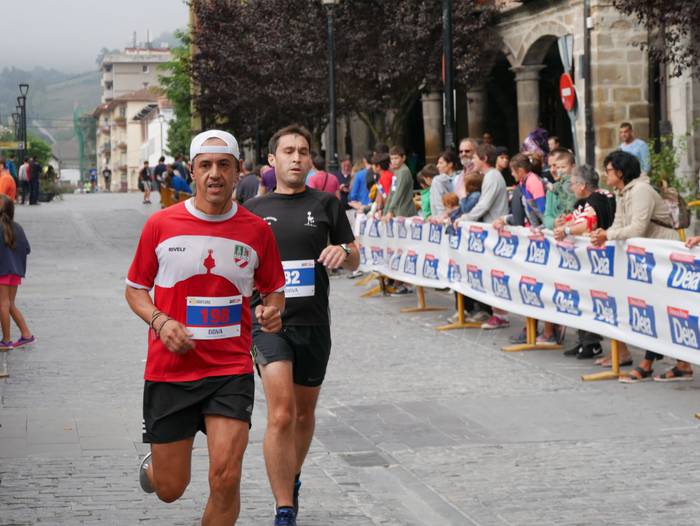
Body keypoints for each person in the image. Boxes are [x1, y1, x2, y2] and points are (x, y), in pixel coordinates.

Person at [126, 130, 286, 525]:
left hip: (229, 370)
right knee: (171, 488)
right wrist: (160, 321)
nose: (215, 173)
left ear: (238, 172)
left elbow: (275, 293)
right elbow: (135, 290)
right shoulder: (161, 224)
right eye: (206, 165)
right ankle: (156, 468)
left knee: (226, 477)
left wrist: (272, 312)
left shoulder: (257, 231)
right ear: (193, 172)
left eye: (223, 165)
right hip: (170, 371)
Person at [244, 124, 359, 526]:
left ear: (310, 160)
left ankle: (291, 476)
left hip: (313, 323)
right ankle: (284, 508)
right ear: (271, 160)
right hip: (268, 323)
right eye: (288, 151)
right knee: (281, 413)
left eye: (303, 151)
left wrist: (342, 250)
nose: (296, 157)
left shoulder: (327, 203)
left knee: (304, 415)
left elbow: (354, 256)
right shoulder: (252, 210)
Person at [590, 150, 690, 382]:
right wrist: (603, 233)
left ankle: (650, 363)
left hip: (663, 257)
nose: (605, 175)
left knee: (660, 307)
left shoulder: (641, 190)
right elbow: (619, 224)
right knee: (653, 308)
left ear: (620, 172)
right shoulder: (623, 192)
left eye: (608, 170)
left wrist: (607, 235)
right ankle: (679, 364)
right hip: (646, 260)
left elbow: (637, 228)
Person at [553, 165, 618, 360]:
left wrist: (566, 230)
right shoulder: (602, 196)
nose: (572, 188)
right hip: (601, 256)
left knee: (591, 298)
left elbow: (588, 223)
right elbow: (576, 220)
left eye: (573, 184)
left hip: (599, 257)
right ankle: (585, 340)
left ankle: (591, 343)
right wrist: (563, 224)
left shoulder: (594, 200)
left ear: (582, 185)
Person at [0, 195, 33, 350]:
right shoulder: (17, 227)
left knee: (3, 304)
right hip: (16, 271)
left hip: (2, 270)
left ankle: (6, 341)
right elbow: (27, 249)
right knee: (10, 304)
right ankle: (26, 334)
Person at [543, 148, 577, 229]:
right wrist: (554, 223)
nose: (552, 170)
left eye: (555, 165)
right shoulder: (551, 190)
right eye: (550, 166)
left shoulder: (577, 186)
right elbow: (546, 216)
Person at [382, 146, 417, 220]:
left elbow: (398, 193)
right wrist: (385, 212)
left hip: (406, 213)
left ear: (403, 158)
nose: (393, 161)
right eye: (392, 159)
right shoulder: (396, 171)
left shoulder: (403, 172)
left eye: (396, 158)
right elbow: (392, 192)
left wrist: (390, 211)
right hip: (398, 212)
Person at [430, 150, 458, 217]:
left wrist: (441, 217)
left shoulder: (437, 180)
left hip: (444, 218)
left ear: (450, 164)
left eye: (441, 163)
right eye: (438, 163)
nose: (437, 166)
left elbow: (438, 203)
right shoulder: (439, 180)